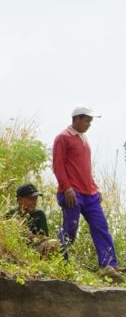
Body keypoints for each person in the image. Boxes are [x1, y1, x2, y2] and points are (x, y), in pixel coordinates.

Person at [52, 106, 114, 271]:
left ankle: (109, 266)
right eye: (87, 120)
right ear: (77, 119)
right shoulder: (63, 138)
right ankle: (60, 262)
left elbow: (84, 168)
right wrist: (66, 188)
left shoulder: (83, 138)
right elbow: (58, 166)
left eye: (90, 121)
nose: (89, 124)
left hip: (90, 193)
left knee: (101, 227)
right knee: (70, 229)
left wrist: (95, 187)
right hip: (72, 192)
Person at [10, 185, 47, 250]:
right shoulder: (11, 214)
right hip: (14, 248)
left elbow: (45, 238)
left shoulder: (39, 214)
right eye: (31, 199)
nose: (35, 203)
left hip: (33, 250)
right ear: (20, 200)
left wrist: (30, 236)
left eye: (36, 199)